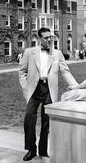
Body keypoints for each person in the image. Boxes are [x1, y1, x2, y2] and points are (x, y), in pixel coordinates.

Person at [18, 27, 77, 161]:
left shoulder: (57, 54)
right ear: (39, 39)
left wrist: (76, 87)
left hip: (49, 90)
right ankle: (31, 149)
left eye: (50, 37)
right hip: (34, 89)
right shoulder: (29, 52)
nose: (49, 40)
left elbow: (66, 72)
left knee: (46, 121)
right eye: (46, 38)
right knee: (29, 119)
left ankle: (43, 150)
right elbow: (22, 72)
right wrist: (25, 89)